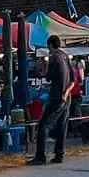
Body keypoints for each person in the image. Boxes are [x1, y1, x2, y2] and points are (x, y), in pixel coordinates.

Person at [30, 35, 75, 164]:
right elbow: (73, 80)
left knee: (43, 125)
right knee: (62, 125)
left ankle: (40, 156)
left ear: (50, 45)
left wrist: (44, 68)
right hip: (67, 95)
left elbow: (48, 77)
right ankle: (59, 154)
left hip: (57, 95)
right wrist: (67, 92)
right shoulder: (65, 56)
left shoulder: (54, 57)